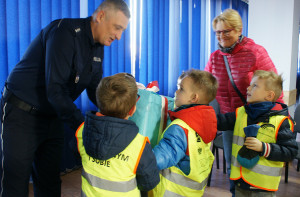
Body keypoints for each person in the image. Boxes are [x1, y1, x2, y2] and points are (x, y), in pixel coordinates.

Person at [0, 0, 130, 196]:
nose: (119, 36)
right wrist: (83, 126)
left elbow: (95, 88)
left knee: (50, 183)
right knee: (15, 185)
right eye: (117, 28)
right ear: (101, 16)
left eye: (123, 30)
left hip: (53, 115)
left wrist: (118, 112)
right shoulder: (64, 32)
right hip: (21, 114)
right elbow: (56, 89)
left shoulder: (98, 45)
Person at [204, 8, 283, 196]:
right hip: (232, 121)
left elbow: (273, 87)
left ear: (239, 30)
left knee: (257, 166)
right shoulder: (215, 58)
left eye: (226, 31)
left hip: (258, 120)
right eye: (218, 32)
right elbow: (207, 86)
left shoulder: (256, 52)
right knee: (235, 168)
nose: (221, 36)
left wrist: (278, 116)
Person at [75, 73, 160, 197]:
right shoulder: (139, 145)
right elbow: (149, 182)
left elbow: (77, 152)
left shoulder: (82, 130)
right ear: (132, 110)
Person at [217, 70, 298, 196]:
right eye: (250, 84)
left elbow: (290, 152)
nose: (248, 88)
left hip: (262, 188)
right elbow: (220, 121)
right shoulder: (241, 113)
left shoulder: (282, 121)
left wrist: (263, 147)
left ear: (269, 96)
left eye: (254, 85)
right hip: (239, 182)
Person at [152, 69, 218, 197]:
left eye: (181, 89)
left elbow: (160, 159)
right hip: (192, 192)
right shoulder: (207, 124)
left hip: (171, 192)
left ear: (194, 98)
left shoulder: (180, 128)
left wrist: (137, 159)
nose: (176, 92)